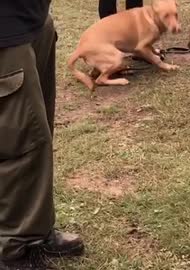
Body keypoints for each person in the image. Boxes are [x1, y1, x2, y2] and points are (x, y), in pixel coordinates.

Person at [0, 1, 85, 269]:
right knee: (19, 141)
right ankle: (12, 250)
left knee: (38, 132)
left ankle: (35, 228)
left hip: (32, 18)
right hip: (5, 28)